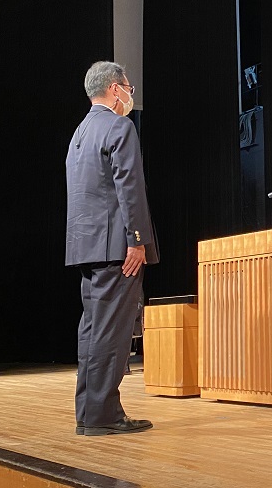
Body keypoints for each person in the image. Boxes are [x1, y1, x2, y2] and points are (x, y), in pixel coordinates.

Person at [66, 61, 159, 436]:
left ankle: (90, 413)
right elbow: (129, 188)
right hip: (115, 247)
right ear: (115, 89)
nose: (130, 95)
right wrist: (136, 239)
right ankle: (103, 415)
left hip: (86, 247)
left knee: (92, 331)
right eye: (128, 88)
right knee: (112, 333)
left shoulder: (79, 133)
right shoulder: (119, 126)